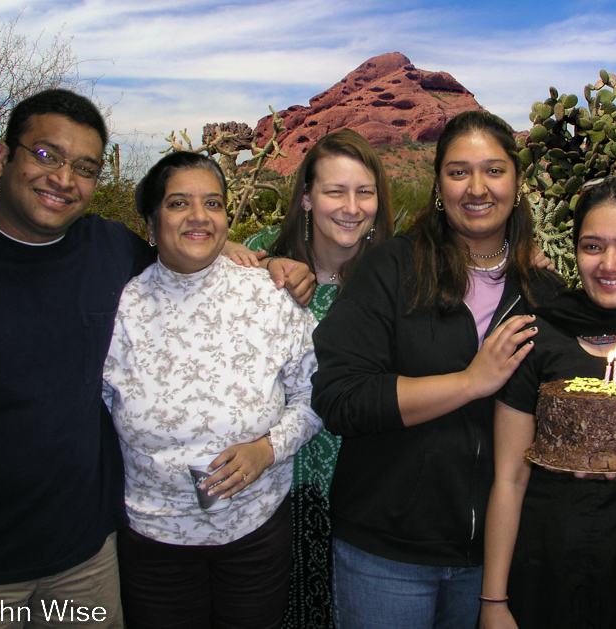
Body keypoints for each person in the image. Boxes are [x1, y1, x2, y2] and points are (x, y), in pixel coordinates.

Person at [0, 88, 308, 629]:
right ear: (1, 158)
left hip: (85, 557)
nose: (63, 179)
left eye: (84, 167)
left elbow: (191, 250)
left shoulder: (107, 252)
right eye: (45, 155)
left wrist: (254, 257)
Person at [311, 110, 565, 629]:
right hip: (387, 555)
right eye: (458, 172)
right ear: (437, 185)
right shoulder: (392, 267)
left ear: (518, 183)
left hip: (493, 565)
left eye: (494, 170)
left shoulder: (544, 295)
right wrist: (469, 383)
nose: (477, 188)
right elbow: (339, 397)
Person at [101, 151, 322, 629]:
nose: (199, 216)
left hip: (255, 535)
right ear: (151, 220)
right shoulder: (120, 309)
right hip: (153, 541)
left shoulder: (269, 295)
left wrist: (268, 449)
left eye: (213, 203)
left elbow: (315, 394)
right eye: (179, 203)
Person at [479, 176, 616, 629]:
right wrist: (494, 601)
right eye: (592, 246)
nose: (609, 264)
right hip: (545, 574)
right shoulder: (540, 334)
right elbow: (510, 480)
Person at [243, 128, 394, 629]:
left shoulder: (395, 273)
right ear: (306, 198)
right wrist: (263, 263)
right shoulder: (263, 255)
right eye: (335, 191)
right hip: (269, 488)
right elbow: (194, 252)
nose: (351, 207)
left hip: (361, 491)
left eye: (364, 192)